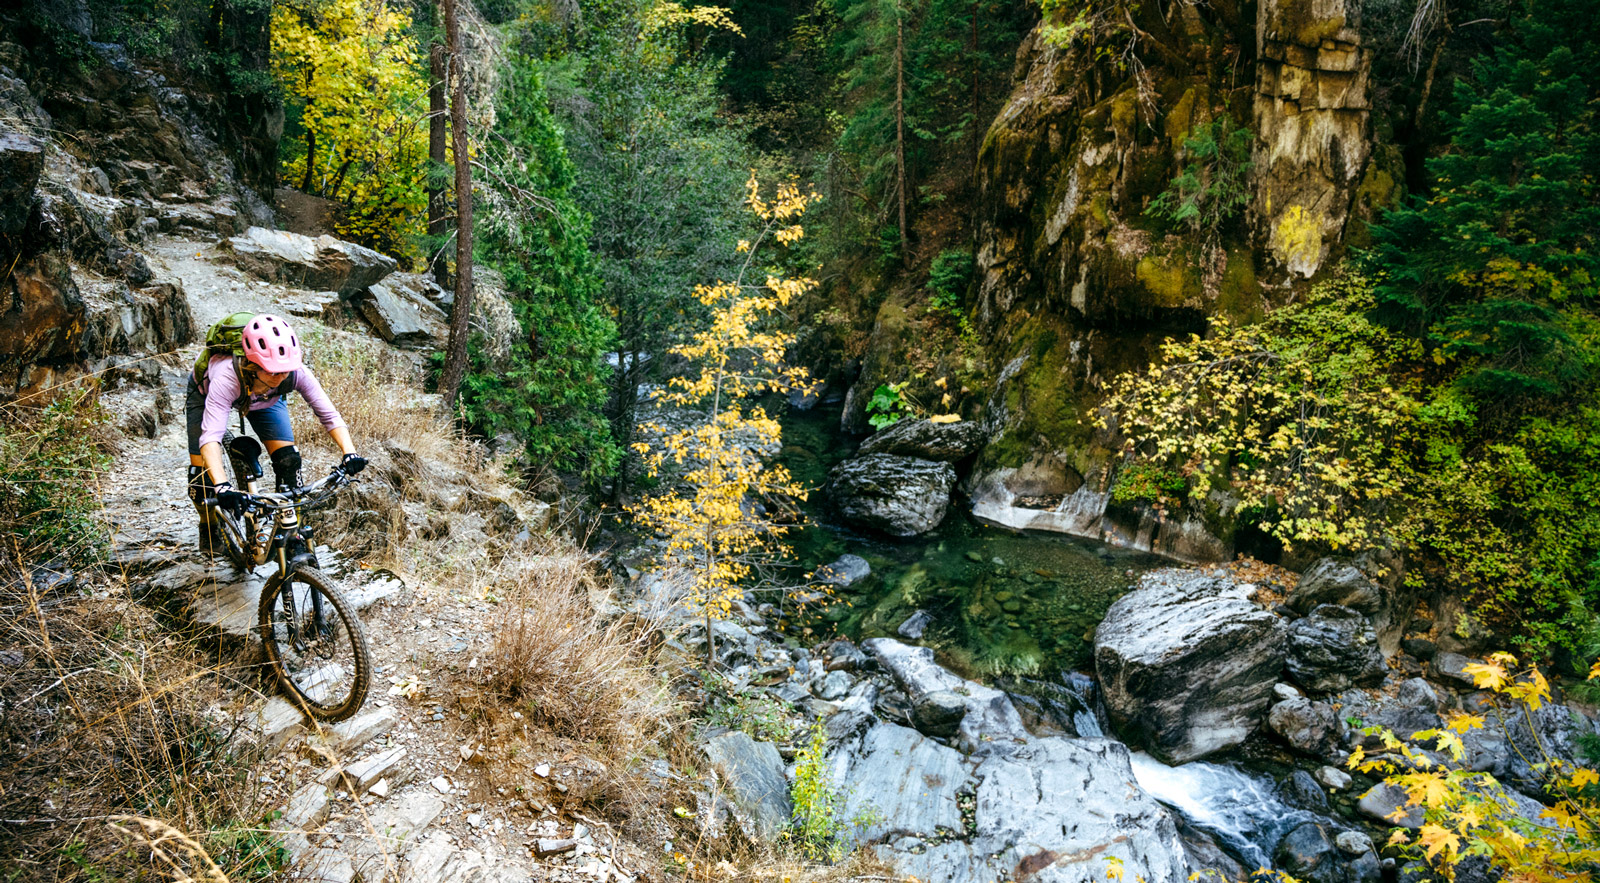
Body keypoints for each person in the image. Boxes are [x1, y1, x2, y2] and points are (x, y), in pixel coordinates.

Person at [184, 313, 365, 550]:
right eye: (273, 371)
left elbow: (329, 416)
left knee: (289, 461)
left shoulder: (293, 372)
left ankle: (290, 531)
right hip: (206, 393)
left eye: (286, 371)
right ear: (252, 364)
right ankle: (208, 525)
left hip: (266, 400)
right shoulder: (226, 376)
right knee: (201, 478)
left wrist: (349, 453)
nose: (281, 377)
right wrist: (223, 486)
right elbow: (210, 437)